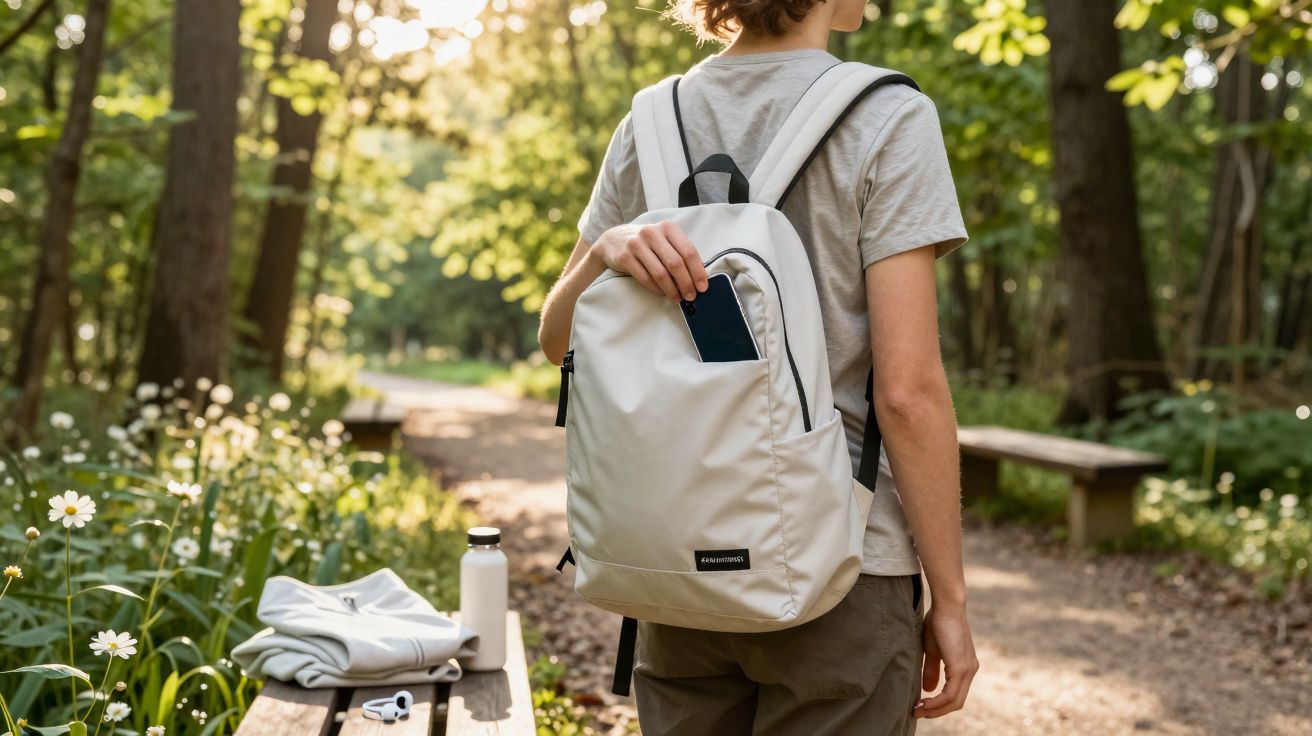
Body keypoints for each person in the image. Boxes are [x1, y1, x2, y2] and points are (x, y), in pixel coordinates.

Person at [536, 0, 978, 731]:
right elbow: (908, 393)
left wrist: (605, 250)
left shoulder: (651, 121)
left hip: (672, 558)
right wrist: (952, 602)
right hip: (842, 569)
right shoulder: (889, 117)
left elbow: (558, 344)